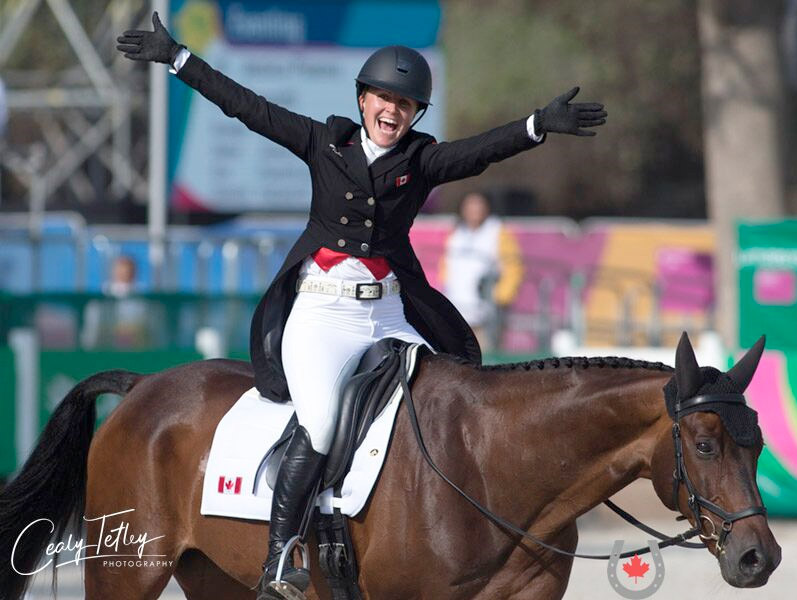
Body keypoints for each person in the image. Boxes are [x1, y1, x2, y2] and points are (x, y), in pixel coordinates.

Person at [117, 12, 606, 600]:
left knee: (446, 404)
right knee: (321, 420)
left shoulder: (421, 160)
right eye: (383, 98)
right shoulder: (326, 142)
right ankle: (282, 556)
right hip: (322, 315)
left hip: (390, 315)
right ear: (363, 97)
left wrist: (536, 125)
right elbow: (249, 107)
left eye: (405, 105)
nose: (392, 112)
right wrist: (178, 58)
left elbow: (480, 153)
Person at [440, 191, 524, 351]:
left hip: (486, 315)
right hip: (457, 310)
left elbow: (514, 267)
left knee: (486, 362)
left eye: (479, 206)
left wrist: (500, 297)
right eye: (470, 206)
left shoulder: (497, 231)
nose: (474, 211)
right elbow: (446, 266)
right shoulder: (456, 233)